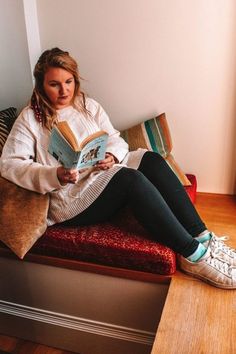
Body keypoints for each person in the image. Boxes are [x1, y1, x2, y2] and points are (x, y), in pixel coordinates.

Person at [0, 47, 236, 289]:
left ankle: (203, 237)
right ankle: (193, 255)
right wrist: (55, 174)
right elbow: (9, 164)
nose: (64, 91)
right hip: (71, 198)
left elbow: (113, 137)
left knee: (151, 159)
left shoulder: (86, 104)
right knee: (129, 179)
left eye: (69, 81)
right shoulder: (30, 118)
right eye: (54, 84)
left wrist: (112, 154)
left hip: (98, 174)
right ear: (40, 85)